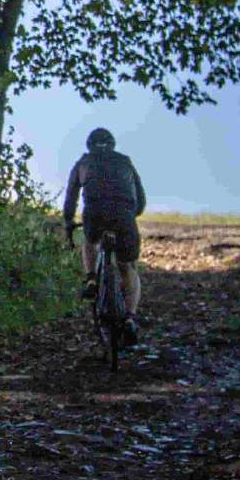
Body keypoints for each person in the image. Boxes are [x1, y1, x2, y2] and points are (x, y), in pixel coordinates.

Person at [63, 127, 147, 341]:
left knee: (90, 242)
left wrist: (69, 222)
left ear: (89, 145)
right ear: (113, 144)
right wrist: (131, 213)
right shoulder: (125, 161)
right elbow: (141, 199)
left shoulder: (83, 162)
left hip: (95, 213)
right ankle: (130, 318)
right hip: (124, 215)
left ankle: (91, 279)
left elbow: (71, 196)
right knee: (128, 266)